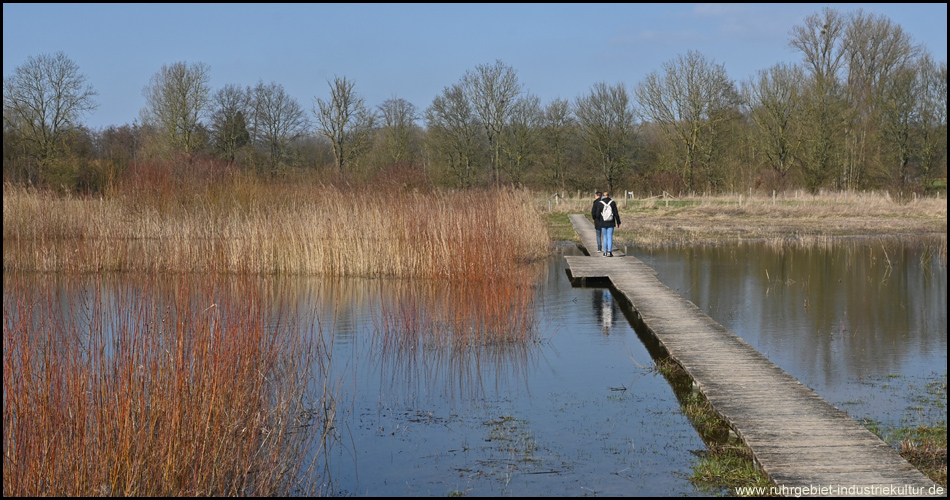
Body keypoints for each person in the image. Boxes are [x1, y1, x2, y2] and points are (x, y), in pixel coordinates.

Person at [599, 191, 621, 257]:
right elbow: (616, 213)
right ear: (609, 196)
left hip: (603, 222)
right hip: (611, 222)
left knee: (605, 237)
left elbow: (597, 214)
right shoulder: (612, 203)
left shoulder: (600, 203)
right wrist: (618, 222)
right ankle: (609, 252)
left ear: (603, 195)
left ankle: (605, 252)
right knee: (610, 237)